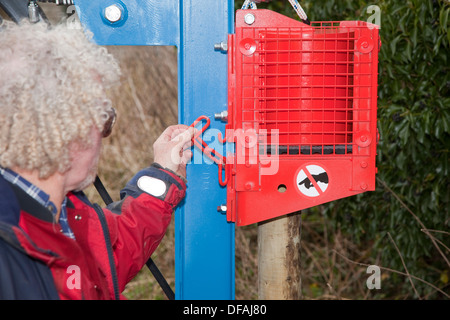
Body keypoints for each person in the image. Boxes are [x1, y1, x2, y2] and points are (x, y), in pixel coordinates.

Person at [0, 21, 194, 299]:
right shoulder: (10, 256)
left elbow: (109, 260)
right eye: (105, 119)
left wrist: (164, 172)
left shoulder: (64, 212)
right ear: (69, 130)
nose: (105, 136)